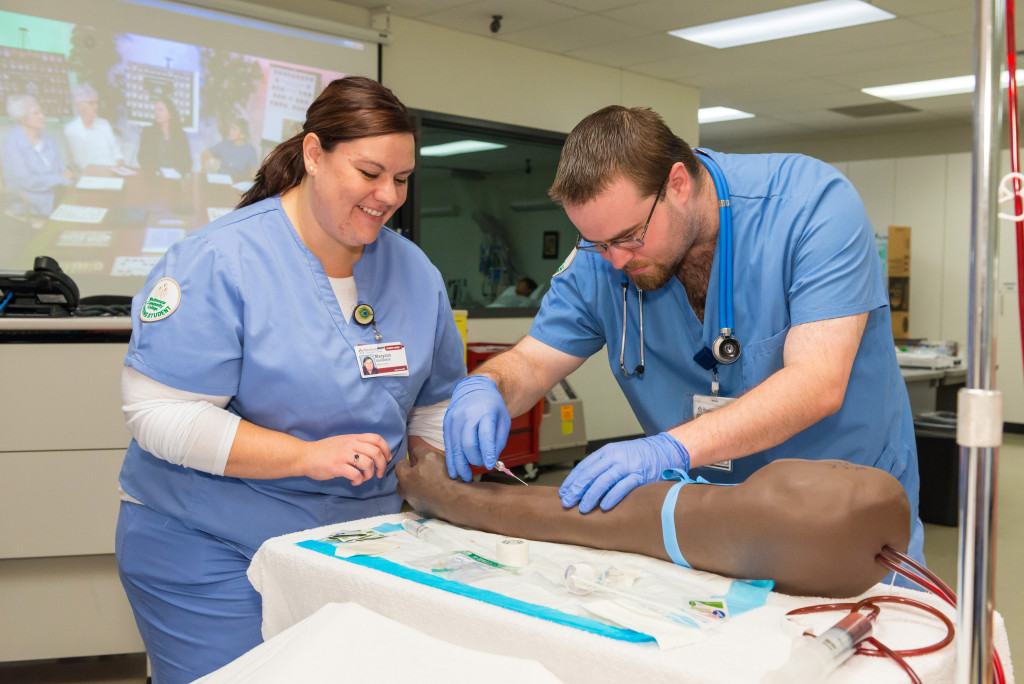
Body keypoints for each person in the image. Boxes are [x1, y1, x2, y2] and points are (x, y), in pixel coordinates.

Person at [443, 105, 924, 571]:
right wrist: (486, 387)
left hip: (842, 519)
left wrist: (665, 450)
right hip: (702, 524)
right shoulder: (603, 253)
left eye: (630, 237)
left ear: (677, 184)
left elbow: (817, 382)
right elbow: (531, 363)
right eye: (597, 243)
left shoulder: (811, 207)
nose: (613, 259)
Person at [115, 76, 466, 683]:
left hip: (357, 547)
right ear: (312, 154)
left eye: (402, 179)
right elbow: (160, 414)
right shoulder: (221, 260)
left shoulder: (413, 270)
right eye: (370, 172)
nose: (388, 195)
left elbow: (431, 403)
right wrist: (306, 457)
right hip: (209, 549)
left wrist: (437, 470)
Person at [397, 447, 911, 598]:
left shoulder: (768, 518)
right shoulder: (791, 523)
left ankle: (440, 495)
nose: (835, 463)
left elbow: (545, 515)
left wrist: (441, 495)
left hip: (694, 518)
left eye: (840, 470)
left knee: (568, 513)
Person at [2, 94, 74, 224]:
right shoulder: (12, 143)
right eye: (36, 113)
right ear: (23, 119)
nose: (43, 116)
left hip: (56, 193)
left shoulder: (48, 137)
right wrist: (60, 178)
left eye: (41, 112)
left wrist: (67, 181)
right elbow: (26, 181)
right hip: (31, 201)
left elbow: (62, 167)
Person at [63, 84, 124, 169]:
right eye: (91, 103)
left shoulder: (104, 124)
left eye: (96, 102)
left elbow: (116, 152)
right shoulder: (72, 129)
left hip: (114, 172)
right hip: (92, 175)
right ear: (79, 105)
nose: (96, 107)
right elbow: (80, 162)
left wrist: (120, 169)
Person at [137, 97, 192, 176]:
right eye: (156, 109)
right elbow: (141, 157)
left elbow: (187, 161)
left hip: (176, 176)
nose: (157, 112)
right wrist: (154, 171)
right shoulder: (148, 132)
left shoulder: (180, 135)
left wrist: (180, 173)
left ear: (170, 113)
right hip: (155, 175)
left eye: (160, 110)